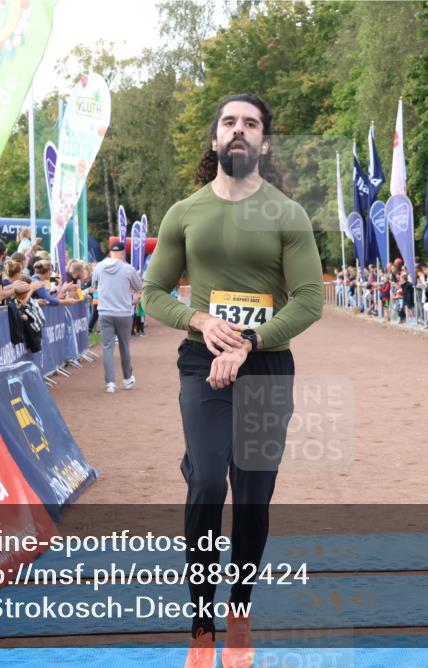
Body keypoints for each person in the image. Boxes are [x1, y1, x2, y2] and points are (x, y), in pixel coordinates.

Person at [140, 93, 322, 668]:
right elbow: (151, 294)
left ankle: (238, 606)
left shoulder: (287, 215)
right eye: (229, 122)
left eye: (251, 124)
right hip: (202, 363)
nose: (239, 131)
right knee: (207, 485)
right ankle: (200, 623)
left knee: (252, 495)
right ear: (215, 139)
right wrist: (198, 319)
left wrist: (248, 342)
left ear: (264, 142)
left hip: (266, 364)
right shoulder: (184, 213)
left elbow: (311, 300)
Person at [92, 241, 143, 392]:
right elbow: (139, 287)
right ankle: (127, 379)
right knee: (124, 347)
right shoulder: (128, 269)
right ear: (123, 253)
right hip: (123, 313)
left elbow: (94, 285)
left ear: (110, 253)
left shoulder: (99, 266)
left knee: (107, 347)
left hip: (105, 312)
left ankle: (110, 383)